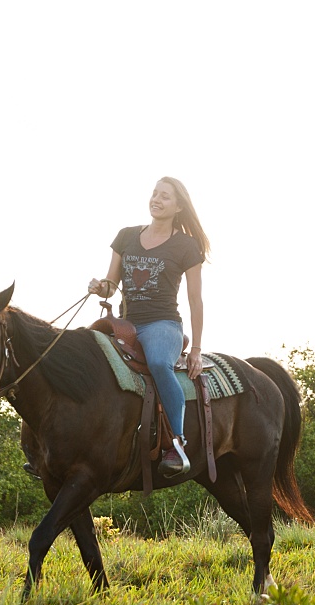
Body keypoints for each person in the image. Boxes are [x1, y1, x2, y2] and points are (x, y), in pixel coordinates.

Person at [88, 177, 209, 477]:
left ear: (179, 206)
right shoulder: (126, 236)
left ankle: (176, 443)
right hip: (125, 323)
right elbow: (111, 286)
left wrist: (196, 349)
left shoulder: (186, 246)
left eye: (165, 197)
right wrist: (100, 287)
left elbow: (196, 300)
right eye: (155, 194)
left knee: (157, 361)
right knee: (84, 352)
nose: (156, 199)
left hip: (163, 324)